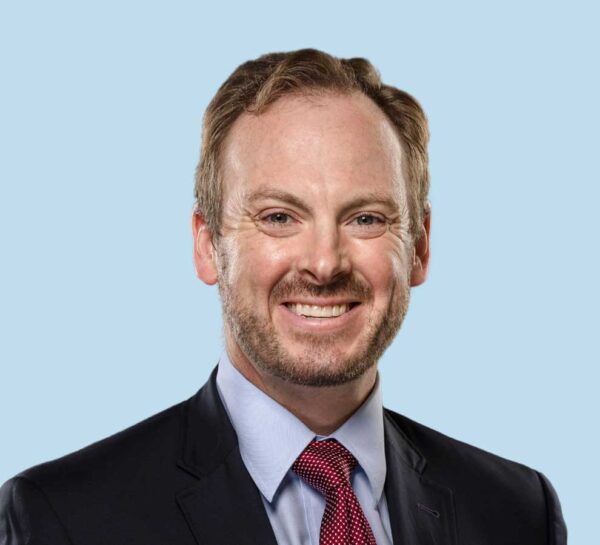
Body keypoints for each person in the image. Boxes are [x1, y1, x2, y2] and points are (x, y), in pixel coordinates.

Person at [0, 48, 566, 545]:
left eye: (365, 218)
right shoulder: (62, 518)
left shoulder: (518, 513)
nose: (323, 262)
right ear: (207, 246)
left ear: (418, 247)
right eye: (278, 217)